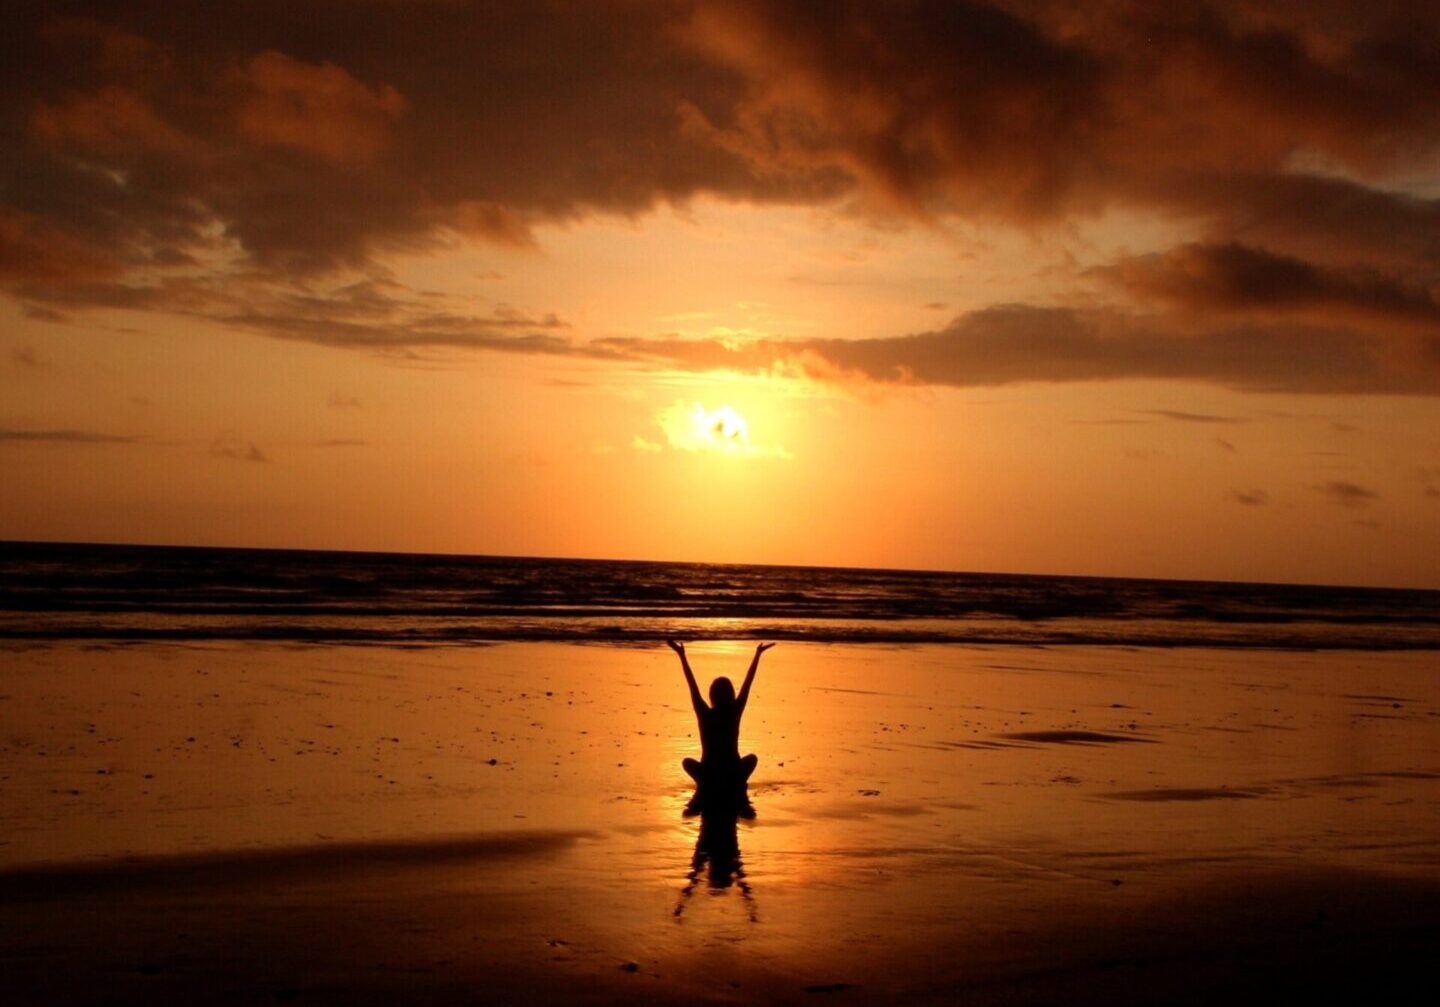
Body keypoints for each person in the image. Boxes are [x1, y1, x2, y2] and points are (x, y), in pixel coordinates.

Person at [667, 640, 773, 797]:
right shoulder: (734, 711)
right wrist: (757, 655)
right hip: (733, 772)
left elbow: (692, 685)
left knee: (687, 763)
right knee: (752, 759)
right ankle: (733, 783)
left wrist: (682, 655)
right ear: (731, 694)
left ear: (712, 695)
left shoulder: (705, 713)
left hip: (709, 774)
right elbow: (747, 683)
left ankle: (714, 784)